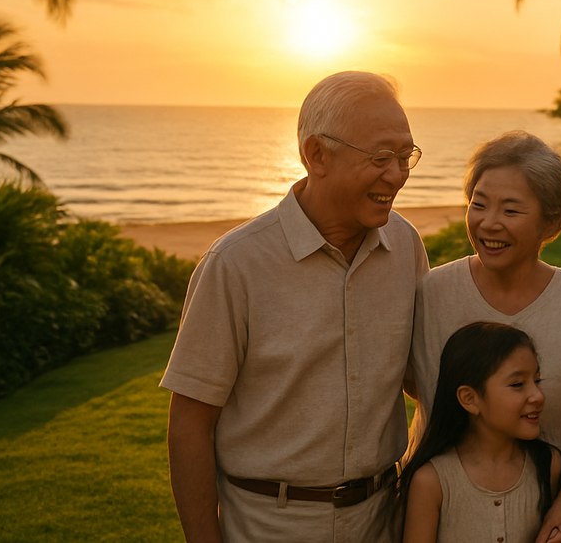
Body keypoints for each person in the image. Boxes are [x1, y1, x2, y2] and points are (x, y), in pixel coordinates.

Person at [162, 71, 428, 542]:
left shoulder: (405, 245)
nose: (397, 174)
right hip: (268, 526)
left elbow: (420, 377)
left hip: (382, 518)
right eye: (381, 157)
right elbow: (190, 423)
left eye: (405, 156)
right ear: (316, 155)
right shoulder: (235, 264)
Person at [409, 131, 561, 543]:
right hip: (440, 515)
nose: (488, 223)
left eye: (511, 209)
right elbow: (409, 383)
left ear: (551, 220)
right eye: (478, 204)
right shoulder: (432, 292)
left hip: (536, 515)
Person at [401, 322, 561, 543]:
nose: (537, 395)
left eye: (537, 381)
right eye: (518, 384)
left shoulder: (548, 465)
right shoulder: (432, 482)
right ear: (470, 399)